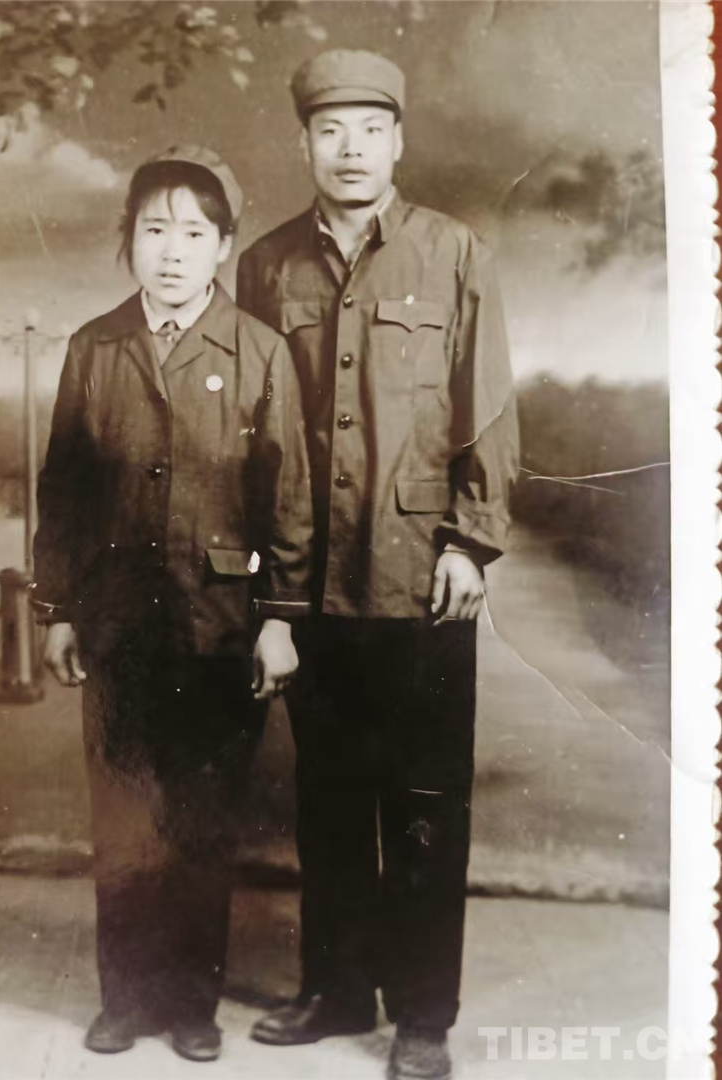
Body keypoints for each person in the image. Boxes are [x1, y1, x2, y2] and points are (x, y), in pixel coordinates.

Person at [237, 50, 519, 1080]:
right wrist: (268, 589)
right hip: (310, 579)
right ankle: (337, 989)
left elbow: (489, 406)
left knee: (426, 809)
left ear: (398, 141)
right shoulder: (266, 266)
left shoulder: (456, 253)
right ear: (304, 142)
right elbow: (250, 429)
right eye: (330, 131)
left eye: (369, 129)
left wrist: (471, 542)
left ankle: (424, 1018)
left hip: (422, 580)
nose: (350, 149)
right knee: (329, 800)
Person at [32, 146, 313, 1064]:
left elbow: (289, 496)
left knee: (200, 821)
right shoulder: (94, 348)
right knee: (123, 821)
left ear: (224, 246)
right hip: (118, 625)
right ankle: (125, 1000)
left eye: (194, 233)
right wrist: (58, 609)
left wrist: (279, 618)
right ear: (130, 241)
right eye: (154, 230)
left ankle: (193, 1005)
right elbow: (64, 491)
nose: (172, 250)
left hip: (219, 624)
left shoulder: (259, 351)